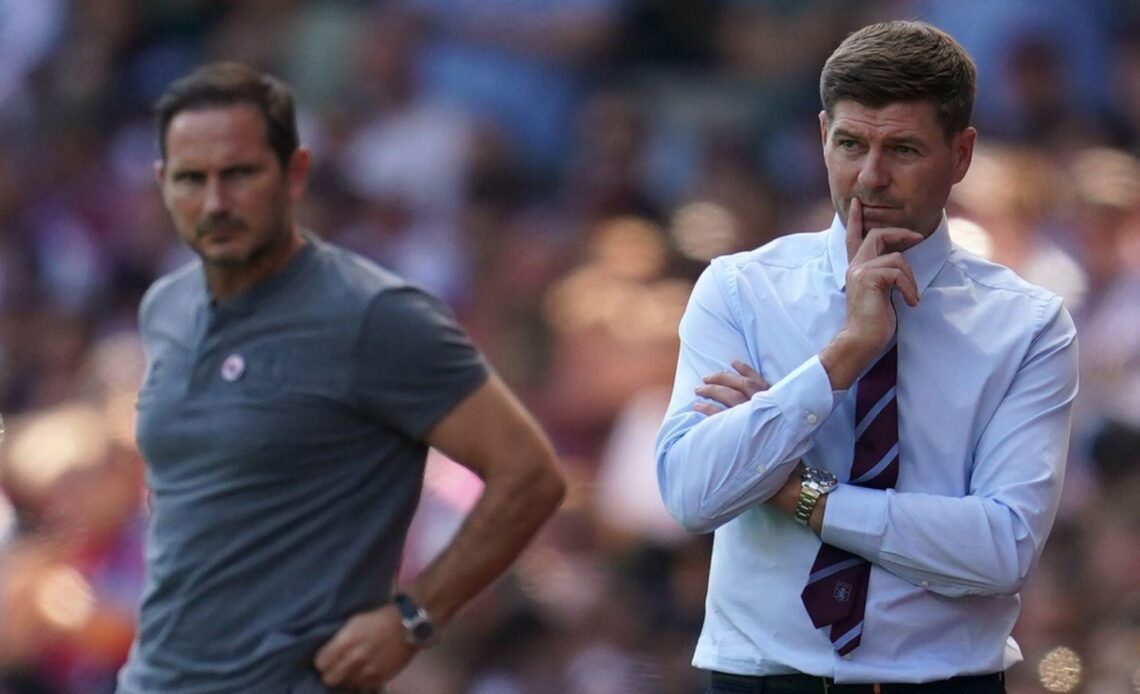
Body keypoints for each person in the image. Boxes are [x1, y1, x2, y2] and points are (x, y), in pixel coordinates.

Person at [116, 62, 567, 693]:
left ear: (294, 173)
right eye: (192, 179)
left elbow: (531, 475)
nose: (214, 202)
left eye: (239, 174)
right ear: (164, 184)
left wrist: (413, 617)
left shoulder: (375, 317)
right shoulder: (165, 307)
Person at [655, 21, 1078, 694]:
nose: (869, 178)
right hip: (762, 679)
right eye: (850, 144)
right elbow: (691, 494)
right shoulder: (740, 288)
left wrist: (801, 494)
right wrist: (843, 355)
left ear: (961, 154)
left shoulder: (1027, 325)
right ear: (823, 135)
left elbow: (1003, 549)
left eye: (903, 149)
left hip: (945, 683)